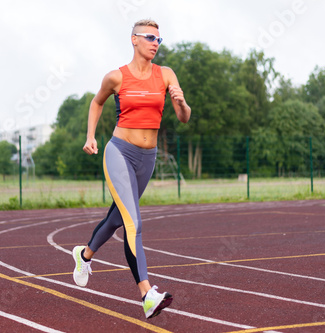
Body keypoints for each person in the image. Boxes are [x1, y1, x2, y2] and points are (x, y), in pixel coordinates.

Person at [73, 19, 191, 319]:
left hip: (147, 158)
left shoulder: (166, 74)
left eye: (159, 40)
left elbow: (184, 117)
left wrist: (181, 102)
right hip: (119, 152)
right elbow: (97, 103)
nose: (155, 43)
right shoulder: (116, 77)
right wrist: (90, 136)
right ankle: (147, 293)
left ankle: (85, 255)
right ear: (134, 40)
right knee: (133, 221)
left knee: (117, 217)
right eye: (150, 37)